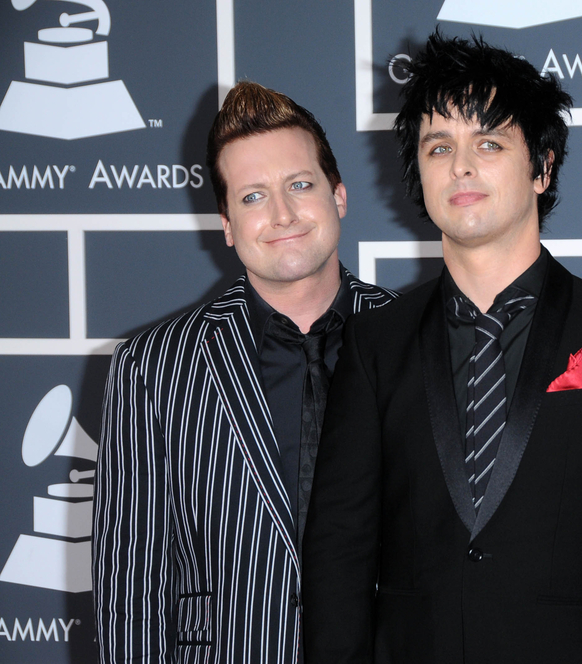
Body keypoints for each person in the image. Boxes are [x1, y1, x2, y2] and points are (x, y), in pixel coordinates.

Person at [302, 32, 582, 664]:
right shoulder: (374, 343)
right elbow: (339, 550)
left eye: (489, 143)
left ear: (541, 167)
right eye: (439, 147)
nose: (461, 166)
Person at [91, 81, 397, 663]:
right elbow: (130, 584)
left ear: (339, 197)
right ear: (228, 225)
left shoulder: (416, 338)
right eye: (253, 197)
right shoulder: (152, 367)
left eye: (300, 186)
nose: (282, 214)